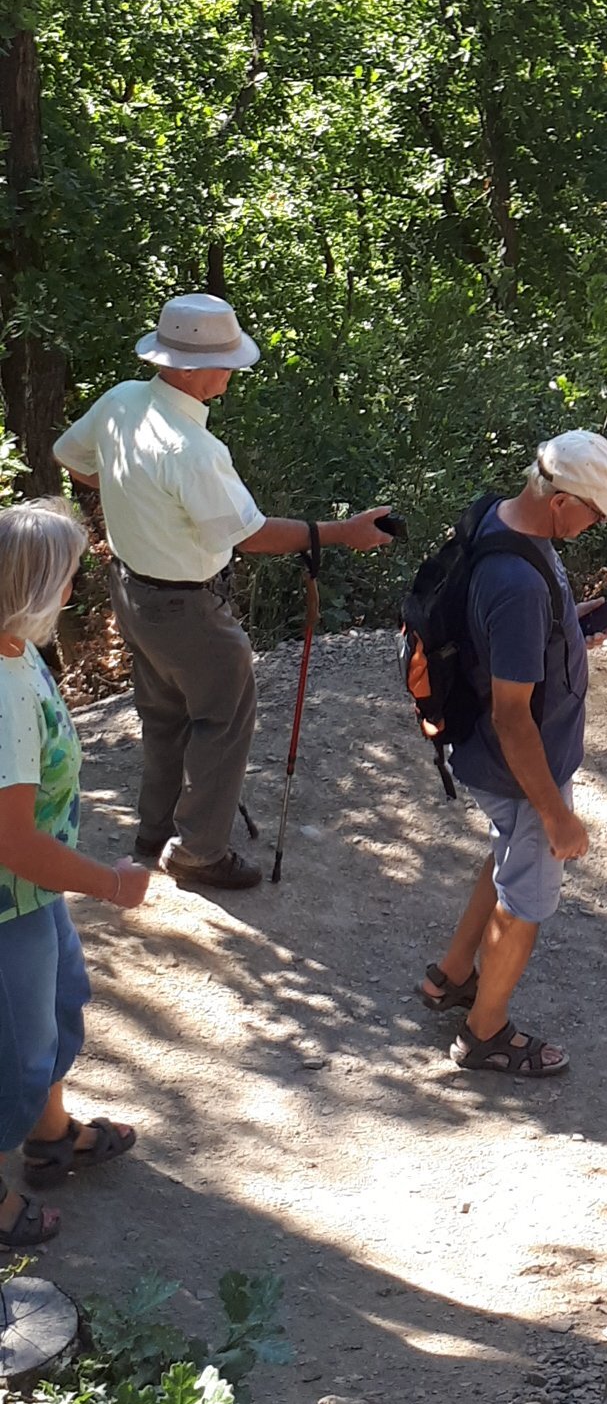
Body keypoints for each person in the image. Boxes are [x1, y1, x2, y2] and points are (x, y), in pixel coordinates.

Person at [55, 295, 396, 893]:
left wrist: (132, 493)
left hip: (133, 591)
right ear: (190, 369)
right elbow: (252, 535)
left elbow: (72, 458)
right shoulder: (193, 451)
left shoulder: (121, 401)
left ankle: (154, 834)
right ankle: (199, 853)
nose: (232, 373)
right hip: (187, 605)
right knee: (223, 718)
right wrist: (341, 532)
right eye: (226, 363)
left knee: (164, 716)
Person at [421, 431, 607, 1077]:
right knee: (526, 901)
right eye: (593, 513)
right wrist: (556, 815)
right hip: (520, 768)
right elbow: (512, 717)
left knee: (506, 856)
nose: (595, 525)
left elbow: (508, 643)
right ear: (560, 500)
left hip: (493, 756)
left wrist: (565, 632)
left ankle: (451, 975)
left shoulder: (503, 519)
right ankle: (484, 1033)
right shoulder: (518, 586)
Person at [0, 502, 152, 1249]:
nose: (72, 590)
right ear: (33, 586)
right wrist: (111, 885)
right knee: (12, 1054)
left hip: (33, 898)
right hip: (8, 905)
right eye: (65, 576)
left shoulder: (19, 648)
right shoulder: (3, 691)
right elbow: (13, 841)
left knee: (59, 1009)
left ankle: (51, 1135)